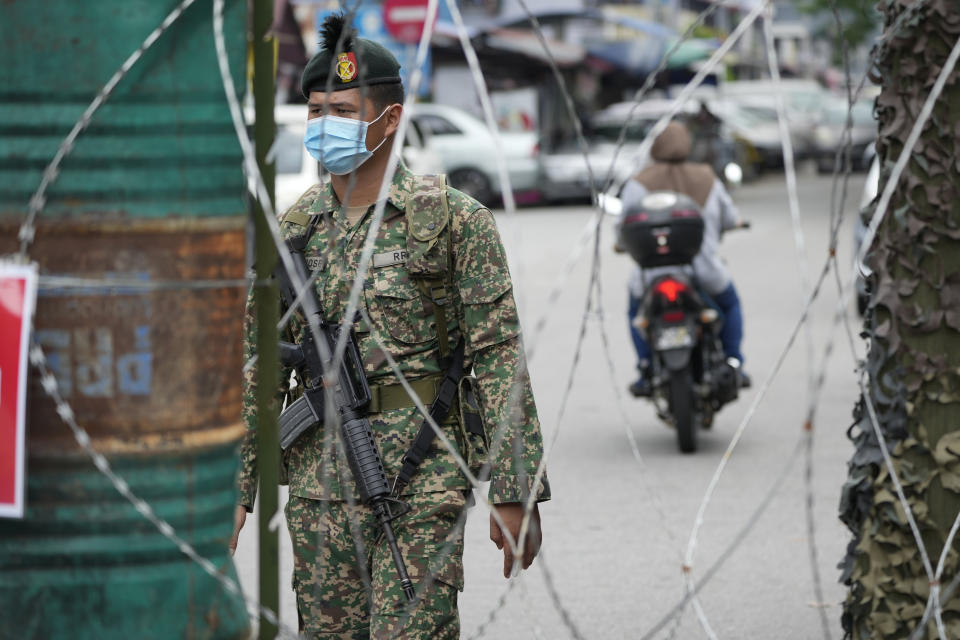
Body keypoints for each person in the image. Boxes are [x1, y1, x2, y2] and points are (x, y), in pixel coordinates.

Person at [230, 14, 550, 639]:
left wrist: (514, 485)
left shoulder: (451, 220)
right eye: (318, 110)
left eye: (344, 110)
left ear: (390, 117)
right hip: (320, 484)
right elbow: (257, 363)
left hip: (423, 473)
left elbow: (497, 355)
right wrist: (235, 491)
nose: (326, 125)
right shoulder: (291, 229)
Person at [618, 121, 750, 397]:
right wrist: (734, 223)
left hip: (650, 276)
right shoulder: (707, 178)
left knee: (635, 312)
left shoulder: (637, 183)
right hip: (703, 272)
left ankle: (645, 367)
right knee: (730, 303)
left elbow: (623, 229)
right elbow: (728, 217)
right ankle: (733, 361)